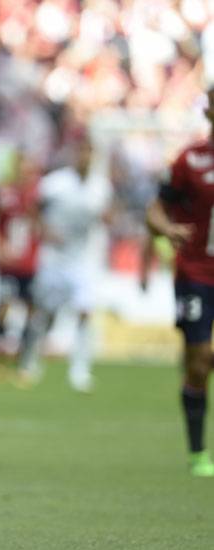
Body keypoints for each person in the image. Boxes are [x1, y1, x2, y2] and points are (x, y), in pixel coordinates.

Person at [146, 87, 214, 477]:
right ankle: (197, 453)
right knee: (199, 361)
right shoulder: (191, 159)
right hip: (197, 273)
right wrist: (167, 227)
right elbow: (155, 208)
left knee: (202, 359)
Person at [17, 133, 112, 393]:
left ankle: (80, 371)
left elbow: (107, 216)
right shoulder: (56, 183)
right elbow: (32, 208)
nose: (86, 158)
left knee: (84, 312)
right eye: (82, 152)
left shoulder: (101, 187)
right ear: (75, 155)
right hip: (54, 258)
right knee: (43, 314)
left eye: (90, 152)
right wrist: (44, 231)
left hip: (82, 259)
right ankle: (30, 362)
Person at [0, 154, 41, 381]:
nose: (25, 174)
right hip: (8, 263)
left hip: (30, 263)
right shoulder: (5, 194)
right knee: (4, 307)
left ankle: (23, 359)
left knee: (30, 311)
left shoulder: (38, 196)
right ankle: (0, 356)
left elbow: (41, 226)